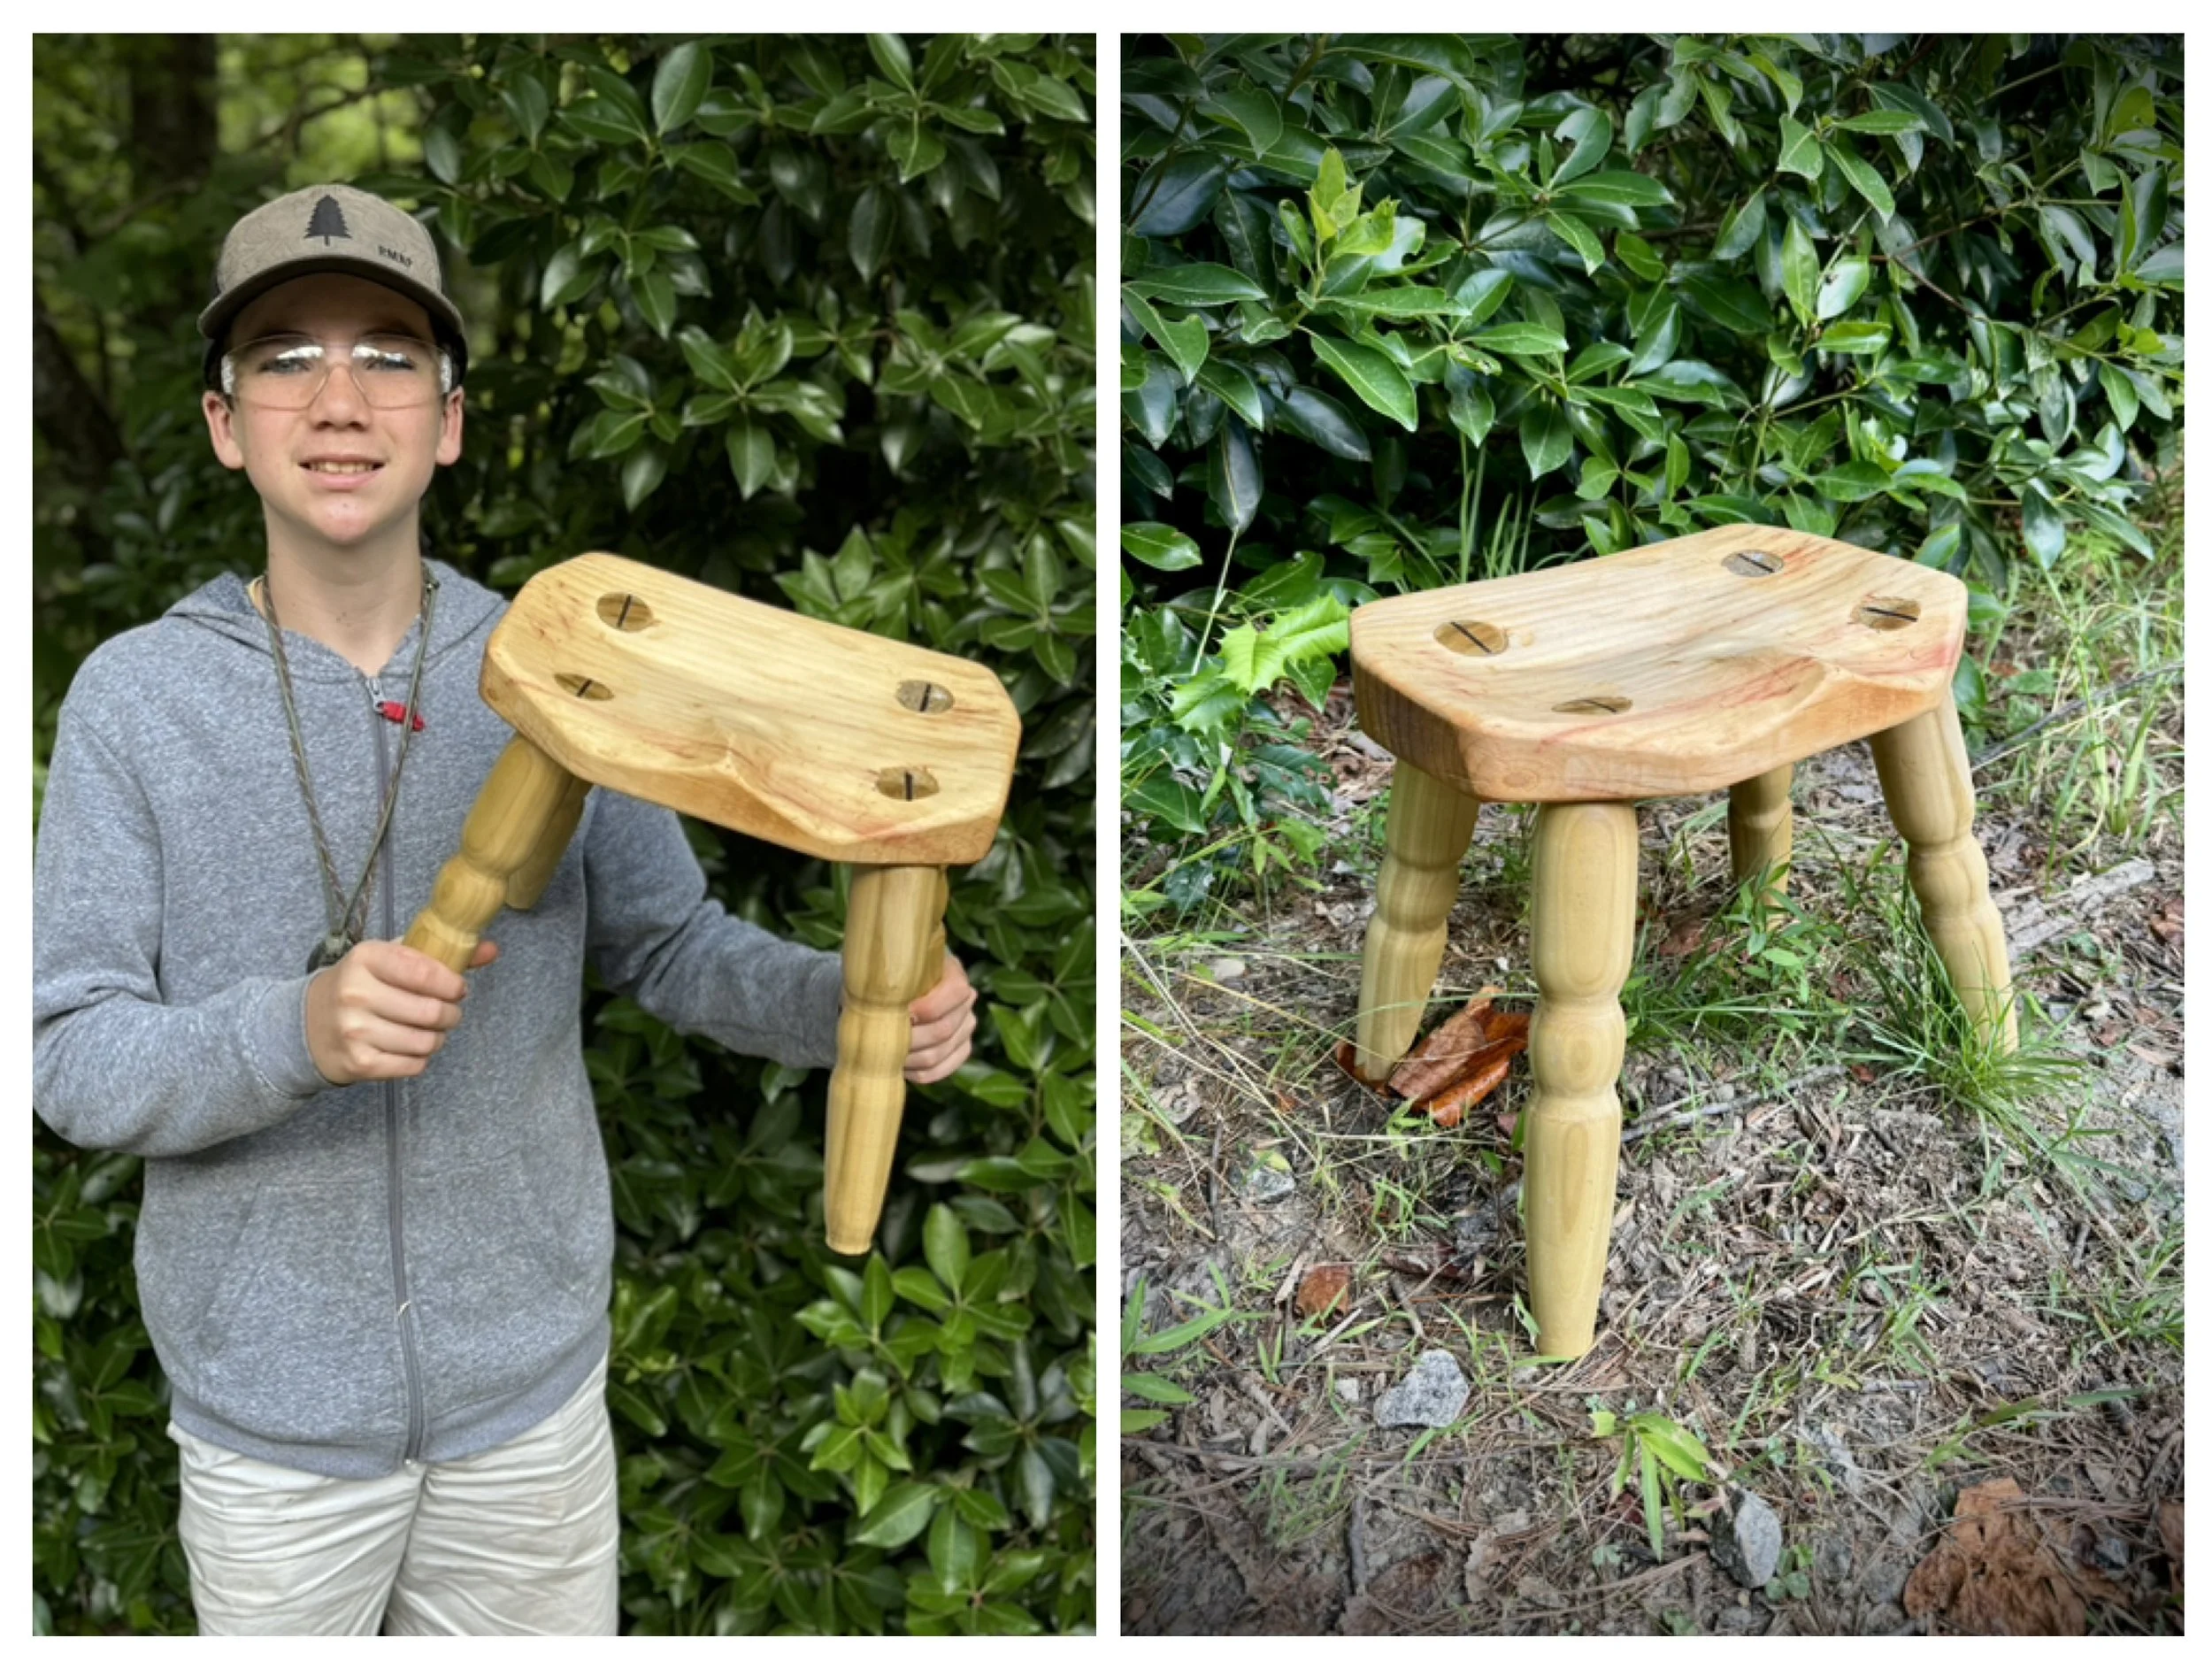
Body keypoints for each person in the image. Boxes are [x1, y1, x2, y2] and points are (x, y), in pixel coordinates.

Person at [30, 181, 978, 1635]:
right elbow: (70, 1054)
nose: (338, 397)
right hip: (270, 1439)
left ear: (450, 418)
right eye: (284, 355)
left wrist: (856, 1006)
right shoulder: (135, 702)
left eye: (389, 355)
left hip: (528, 1417)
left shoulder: (568, 668)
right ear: (226, 424)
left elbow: (671, 945)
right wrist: (295, 1030)